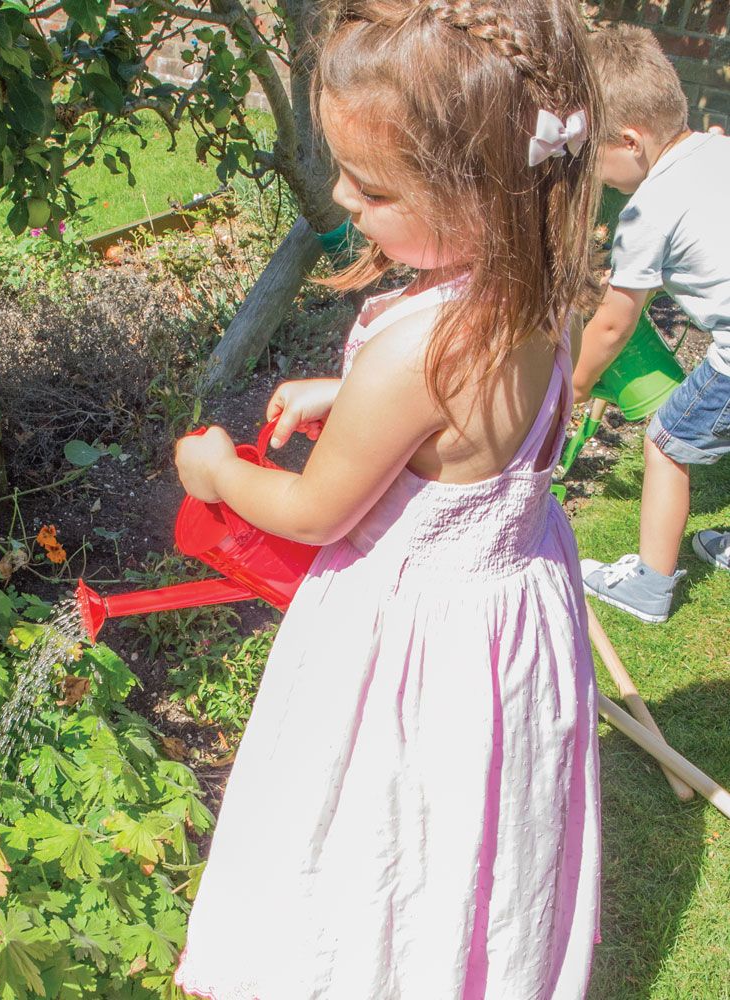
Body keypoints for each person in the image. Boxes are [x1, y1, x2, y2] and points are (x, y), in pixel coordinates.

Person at [171, 1, 602, 996]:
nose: (341, 196)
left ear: (483, 190)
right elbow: (475, 426)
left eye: (370, 186)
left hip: (411, 653)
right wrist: (349, 396)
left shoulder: (416, 346)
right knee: (471, 841)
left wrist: (219, 471)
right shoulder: (536, 294)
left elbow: (318, 511)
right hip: (506, 627)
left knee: (375, 838)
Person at [574, 25, 730, 624]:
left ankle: (649, 586)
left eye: (594, 156)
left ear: (630, 141)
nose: (594, 174)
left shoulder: (647, 210)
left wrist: (577, 385)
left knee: (666, 439)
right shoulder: (716, 148)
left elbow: (614, 323)